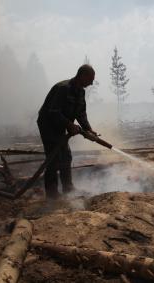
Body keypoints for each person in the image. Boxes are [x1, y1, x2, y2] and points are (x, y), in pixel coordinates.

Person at [37, 64, 96, 199]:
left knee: (66, 156)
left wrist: (89, 130)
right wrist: (70, 125)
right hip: (47, 124)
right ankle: (52, 194)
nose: (92, 83)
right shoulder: (63, 89)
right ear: (82, 76)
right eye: (90, 79)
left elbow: (81, 114)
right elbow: (53, 112)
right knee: (54, 157)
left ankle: (68, 188)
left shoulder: (81, 92)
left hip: (61, 126)